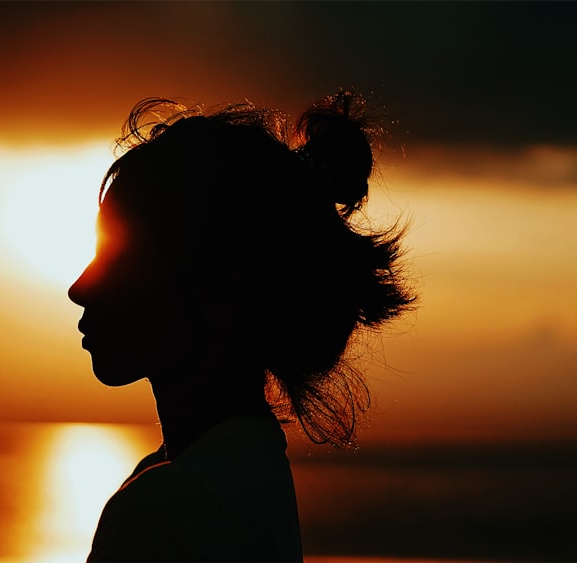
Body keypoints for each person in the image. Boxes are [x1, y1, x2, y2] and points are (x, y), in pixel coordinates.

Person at [68, 90, 415, 562]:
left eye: (119, 257)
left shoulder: (164, 511)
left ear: (220, 286)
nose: (80, 287)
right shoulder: (251, 467)